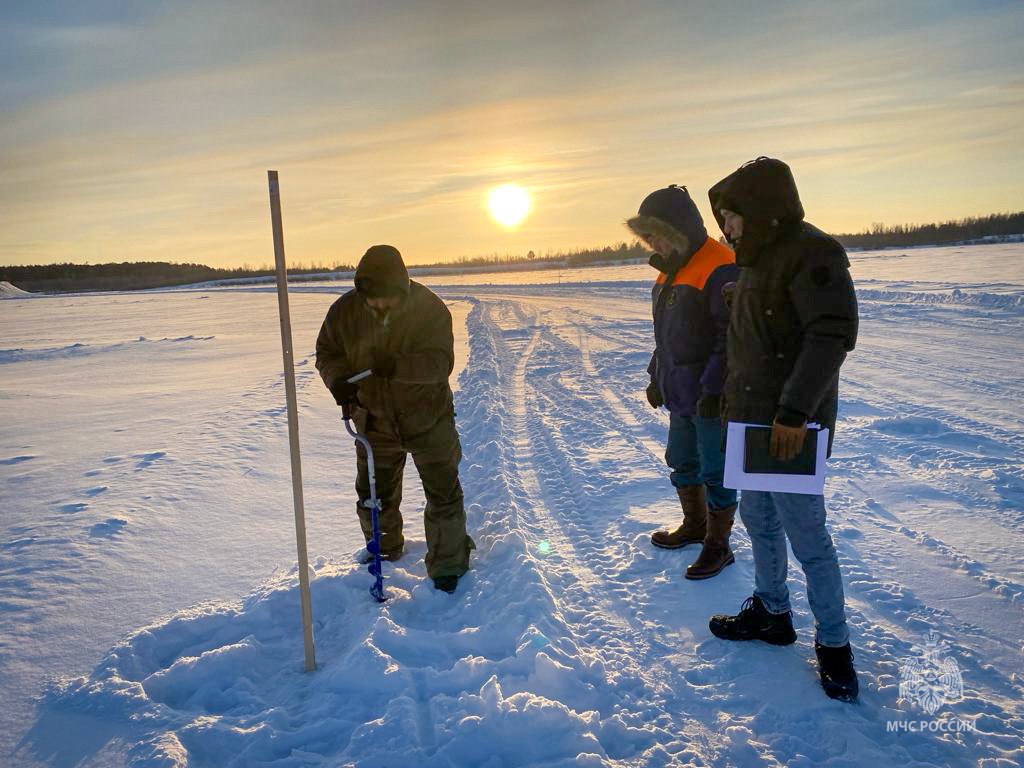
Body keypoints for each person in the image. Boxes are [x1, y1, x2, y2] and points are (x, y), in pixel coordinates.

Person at [706, 157, 860, 701]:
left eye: (730, 217)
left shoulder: (813, 253)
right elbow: (759, 340)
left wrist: (794, 414)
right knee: (760, 520)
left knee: (807, 535)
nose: (725, 228)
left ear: (758, 211)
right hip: (750, 422)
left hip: (787, 427)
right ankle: (772, 613)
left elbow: (831, 334)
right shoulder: (756, 261)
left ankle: (835, 646)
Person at [315, 244, 475, 594]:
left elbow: (440, 364)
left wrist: (398, 365)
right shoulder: (343, 312)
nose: (382, 305)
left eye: (390, 298)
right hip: (374, 423)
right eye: (375, 299)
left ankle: (448, 564)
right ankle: (384, 550)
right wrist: (337, 382)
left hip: (428, 419)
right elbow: (327, 352)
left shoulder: (429, 309)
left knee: (443, 494)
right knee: (375, 496)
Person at [627, 185, 739, 579]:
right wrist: (657, 375)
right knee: (682, 460)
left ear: (678, 227)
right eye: (646, 236)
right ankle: (695, 525)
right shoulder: (669, 269)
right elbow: (667, 336)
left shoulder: (719, 263)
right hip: (680, 392)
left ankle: (719, 544)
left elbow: (731, 338)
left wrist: (713, 389)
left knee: (717, 468)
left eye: (655, 233)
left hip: (710, 395)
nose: (651, 242)